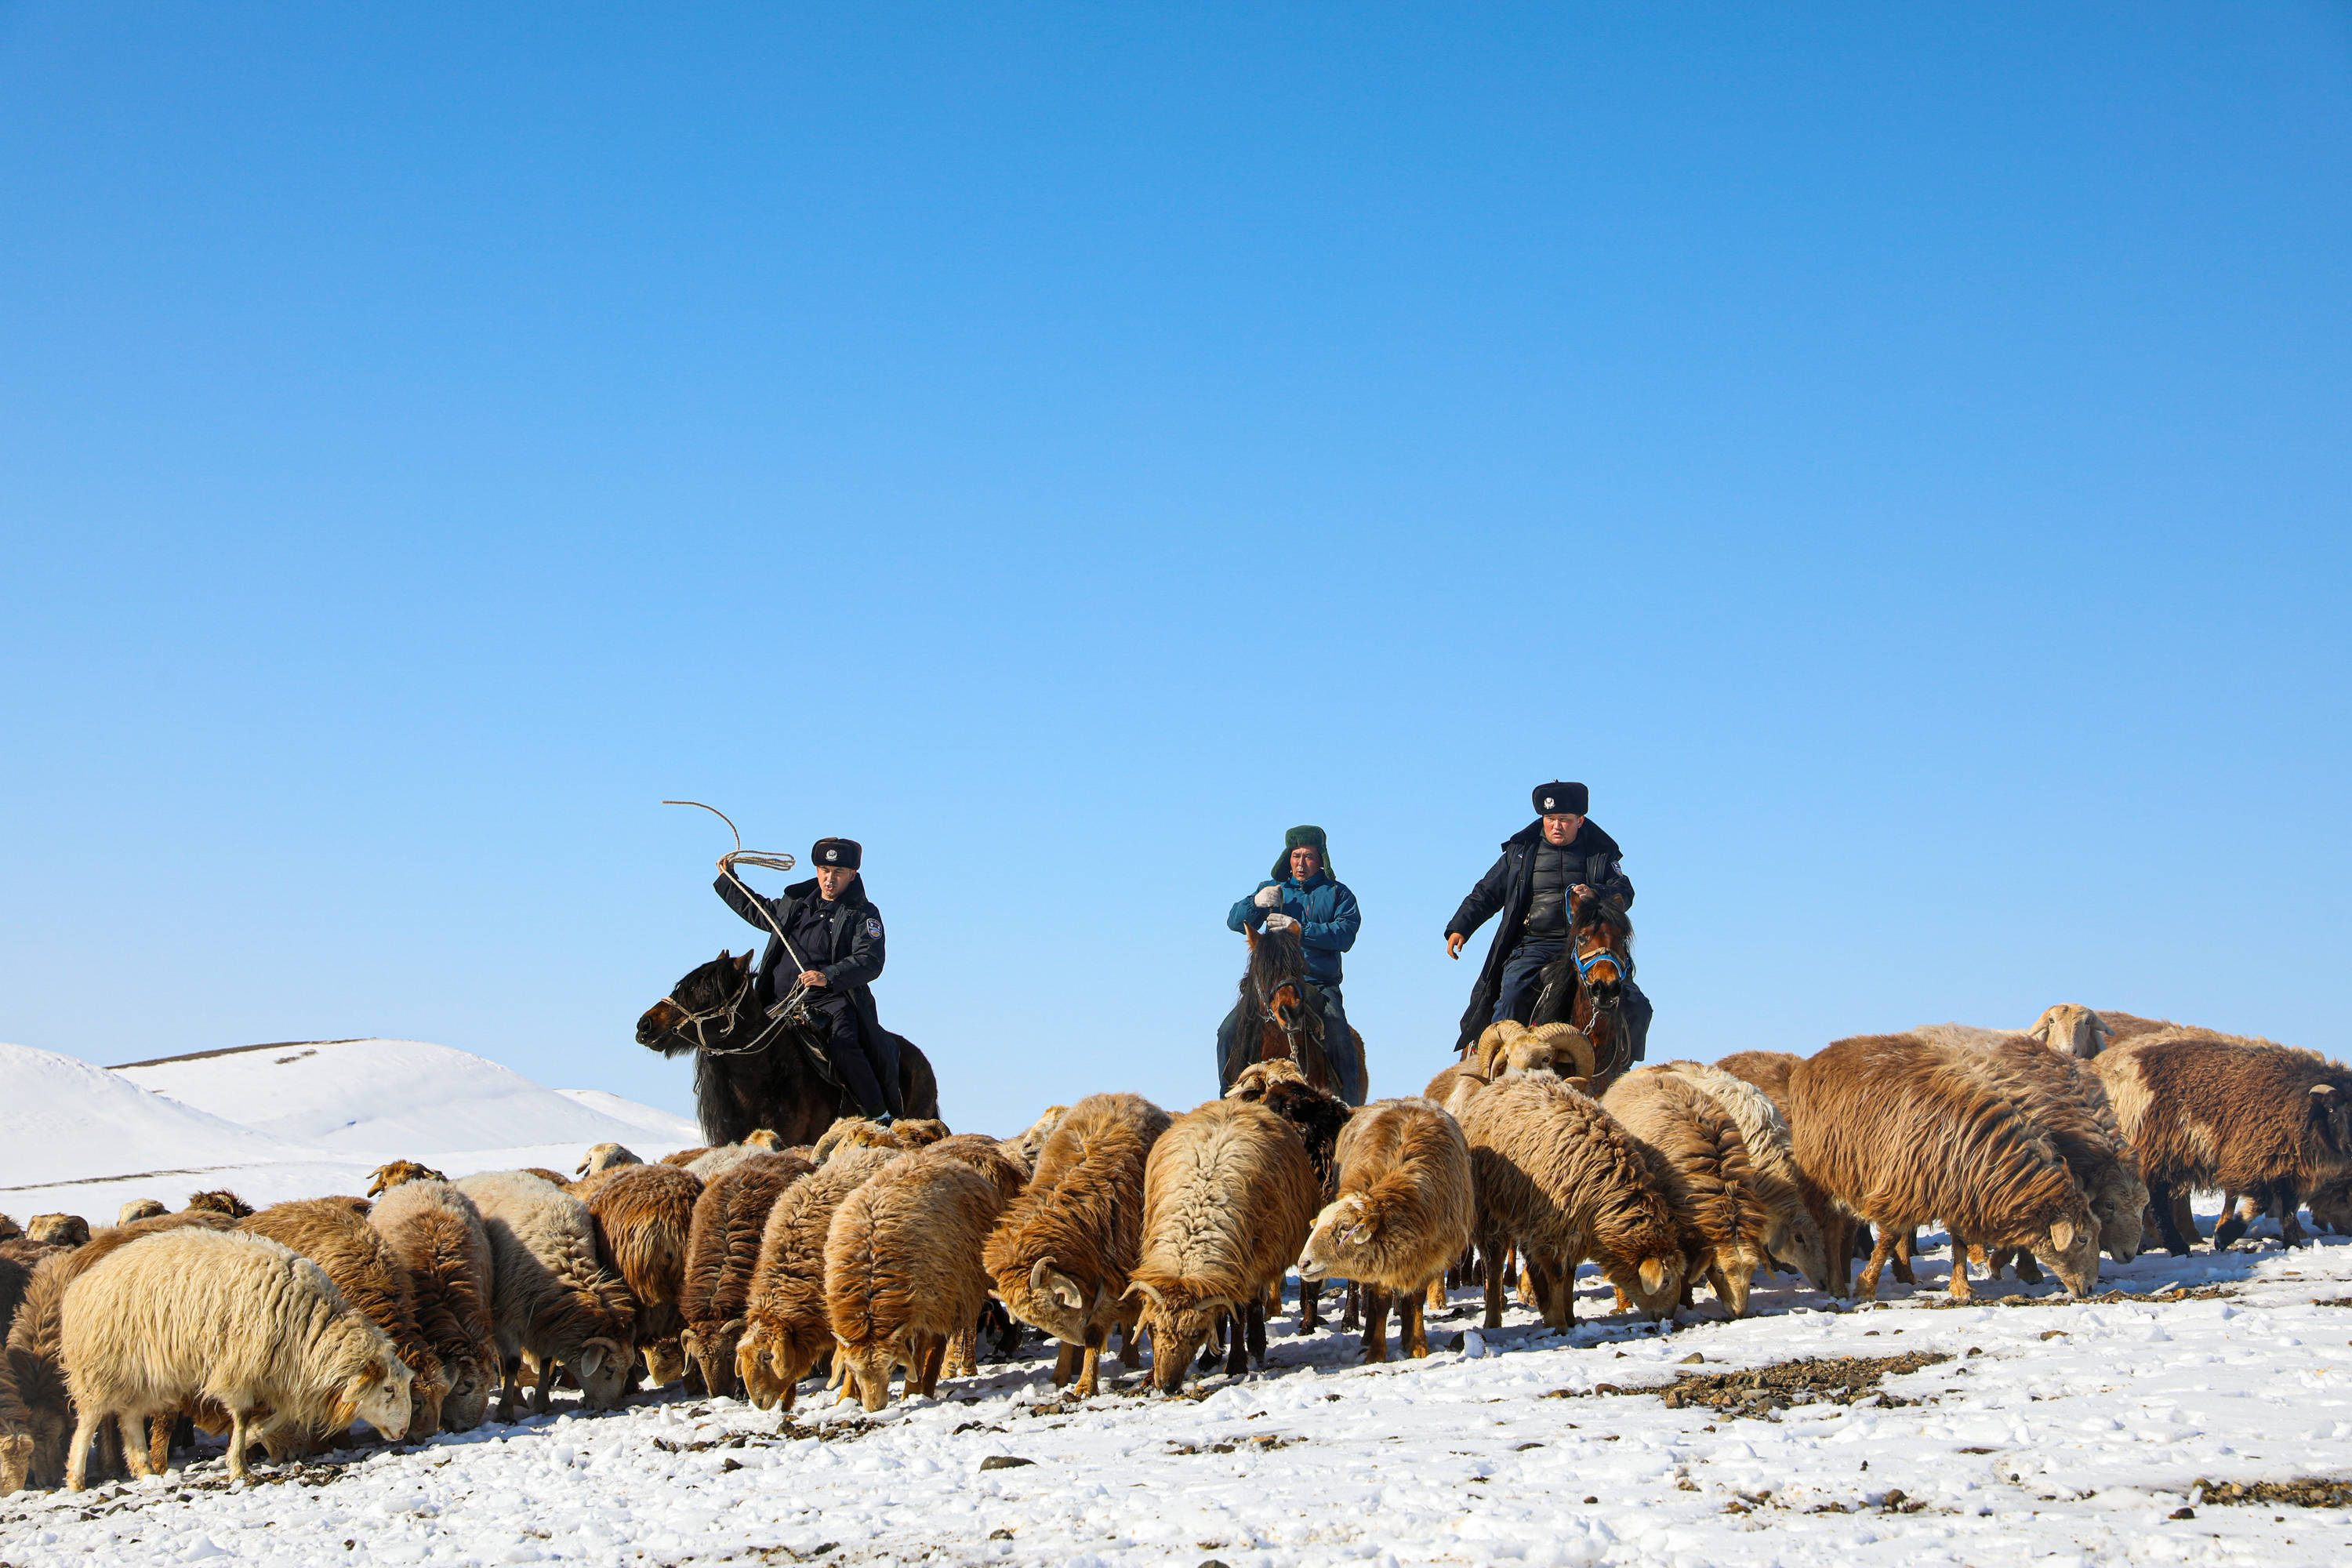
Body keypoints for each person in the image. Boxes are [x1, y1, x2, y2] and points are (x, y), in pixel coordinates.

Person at [1444, 781, 1652, 1061]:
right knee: (1514, 993)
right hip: (1534, 944)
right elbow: (1486, 893)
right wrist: (1460, 927)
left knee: (1639, 1006)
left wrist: (1597, 893)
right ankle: (1498, 1065)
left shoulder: (1601, 854)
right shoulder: (1520, 853)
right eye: (1550, 819)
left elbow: (1625, 892)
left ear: (1580, 820)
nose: (1556, 826)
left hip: (1588, 946)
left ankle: (1622, 1065)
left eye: (1564, 820)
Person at [713, 836, 901, 1122]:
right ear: (817, 871)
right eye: (825, 870)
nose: (830, 878)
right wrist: (729, 880)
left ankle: (880, 1116)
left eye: (838, 873)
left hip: (831, 1003)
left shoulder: (864, 915)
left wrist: (827, 976)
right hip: (778, 1002)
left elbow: (870, 961)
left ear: (852, 875)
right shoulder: (795, 904)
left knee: (844, 1047)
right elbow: (758, 909)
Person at [1217, 825, 1367, 1105]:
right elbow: (1235, 922)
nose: (1301, 863)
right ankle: (1223, 1104)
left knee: (1338, 1032)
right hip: (1269, 985)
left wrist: (1301, 929)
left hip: (1317, 984)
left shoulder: (1338, 894)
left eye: (1308, 856)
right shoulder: (1272, 889)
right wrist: (1255, 903)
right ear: (1288, 858)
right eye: (1296, 855)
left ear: (1321, 859)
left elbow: (1345, 935)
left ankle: (1350, 1109)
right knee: (1227, 1031)